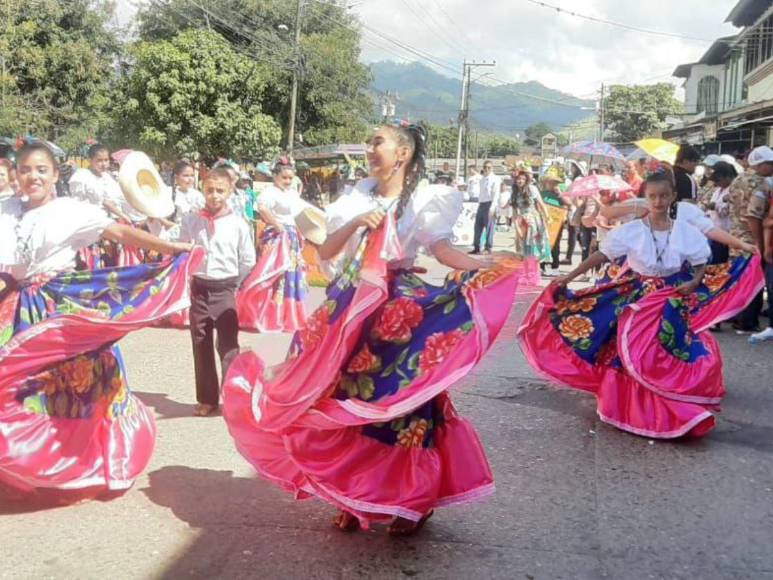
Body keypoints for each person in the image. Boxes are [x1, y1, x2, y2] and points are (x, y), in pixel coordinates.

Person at [221, 123, 525, 535]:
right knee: (338, 397)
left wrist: (481, 266)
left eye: (376, 142)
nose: (369, 149)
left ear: (402, 154)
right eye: (369, 143)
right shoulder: (356, 197)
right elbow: (326, 250)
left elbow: (441, 250)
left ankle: (408, 500)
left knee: (401, 404)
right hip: (350, 309)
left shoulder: (422, 200)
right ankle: (348, 492)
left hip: (397, 312)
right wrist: (357, 223)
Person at [0, 142, 198, 496]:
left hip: (55, 309)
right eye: (26, 169)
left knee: (78, 387)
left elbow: (118, 232)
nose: (33, 176)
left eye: (41, 170)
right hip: (12, 306)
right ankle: (21, 463)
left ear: (55, 175)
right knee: (12, 386)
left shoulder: (70, 211)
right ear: (16, 173)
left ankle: (73, 461)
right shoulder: (5, 209)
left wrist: (171, 249)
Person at [518, 171, 762, 439]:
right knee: (630, 348)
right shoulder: (632, 231)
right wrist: (569, 276)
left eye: (663, 196)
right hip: (638, 296)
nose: (658, 201)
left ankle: (666, 399)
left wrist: (695, 281)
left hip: (670, 297)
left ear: (672, 197)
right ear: (645, 197)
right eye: (652, 196)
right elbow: (602, 254)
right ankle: (637, 403)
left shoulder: (684, 230)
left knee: (669, 348)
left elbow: (700, 261)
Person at [178, 167, 256, 417]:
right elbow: (180, 246)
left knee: (228, 347)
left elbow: (248, 259)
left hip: (225, 289)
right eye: (210, 190)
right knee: (200, 343)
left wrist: (236, 284)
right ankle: (207, 399)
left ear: (230, 191)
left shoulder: (238, 224)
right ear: (203, 189)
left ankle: (232, 398)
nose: (214, 196)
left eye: (220, 190)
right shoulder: (192, 219)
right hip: (200, 288)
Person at [237, 157, 309, 333]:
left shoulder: (292, 193)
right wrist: (278, 226)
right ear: (275, 176)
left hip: (291, 236)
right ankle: (268, 315)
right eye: (284, 177)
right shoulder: (270, 192)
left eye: (290, 178)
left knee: (291, 275)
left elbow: (300, 213)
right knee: (273, 274)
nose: (287, 181)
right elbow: (262, 209)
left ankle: (288, 316)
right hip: (277, 236)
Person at [69, 144, 146, 268]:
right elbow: (102, 202)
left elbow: (114, 200)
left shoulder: (108, 178)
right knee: (94, 258)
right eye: (99, 160)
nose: (104, 164)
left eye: (106, 160)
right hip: (89, 223)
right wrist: (122, 215)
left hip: (108, 221)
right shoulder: (82, 176)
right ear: (90, 160)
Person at [729, 146, 773, 334]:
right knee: (754, 282)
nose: (772, 167)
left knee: (740, 281)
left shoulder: (737, 180)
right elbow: (753, 215)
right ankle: (748, 322)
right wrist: (759, 243)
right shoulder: (761, 184)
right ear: (761, 165)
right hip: (750, 238)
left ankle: (738, 318)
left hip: (735, 238)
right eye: (770, 164)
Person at [511, 170, 551, 283]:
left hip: (533, 220)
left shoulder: (532, 189)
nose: (520, 181)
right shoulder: (514, 192)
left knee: (534, 249)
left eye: (523, 179)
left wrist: (547, 216)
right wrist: (516, 227)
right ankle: (526, 274)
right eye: (518, 179)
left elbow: (541, 203)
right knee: (523, 249)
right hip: (522, 221)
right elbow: (514, 212)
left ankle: (534, 276)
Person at [540, 168, 571, 275]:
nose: (552, 184)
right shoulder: (542, 193)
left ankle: (555, 266)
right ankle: (542, 266)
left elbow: (569, 204)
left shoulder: (561, 192)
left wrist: (560, 194)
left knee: (555, 244)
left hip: (557, 222)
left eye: (554, 182)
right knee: (543, 243)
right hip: (544, 221)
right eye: (550, 182)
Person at [470, 160, 501, 254]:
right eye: (485, 167)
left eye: (489, 167)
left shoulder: (495, 178)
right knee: (477, 226)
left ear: (492, 168)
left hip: (490, 203)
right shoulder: (482, 179)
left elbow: (496, 194)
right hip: (482, 203)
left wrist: (493, 207)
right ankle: (476, 246)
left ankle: (488, 247)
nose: (487, 169)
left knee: (489, 227)